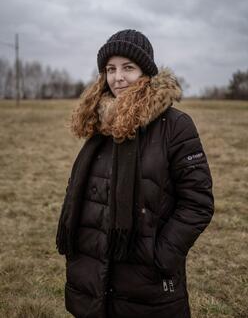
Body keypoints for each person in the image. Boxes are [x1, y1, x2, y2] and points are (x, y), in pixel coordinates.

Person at [56, 29, 214, 318]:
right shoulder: (100, 124)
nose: (118, 78)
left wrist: (160, 255)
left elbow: (198, 203)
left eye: (128, 67)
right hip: (95, 273)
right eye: (111, 69)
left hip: (148, 281)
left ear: (146, 72)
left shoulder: (175, 126)